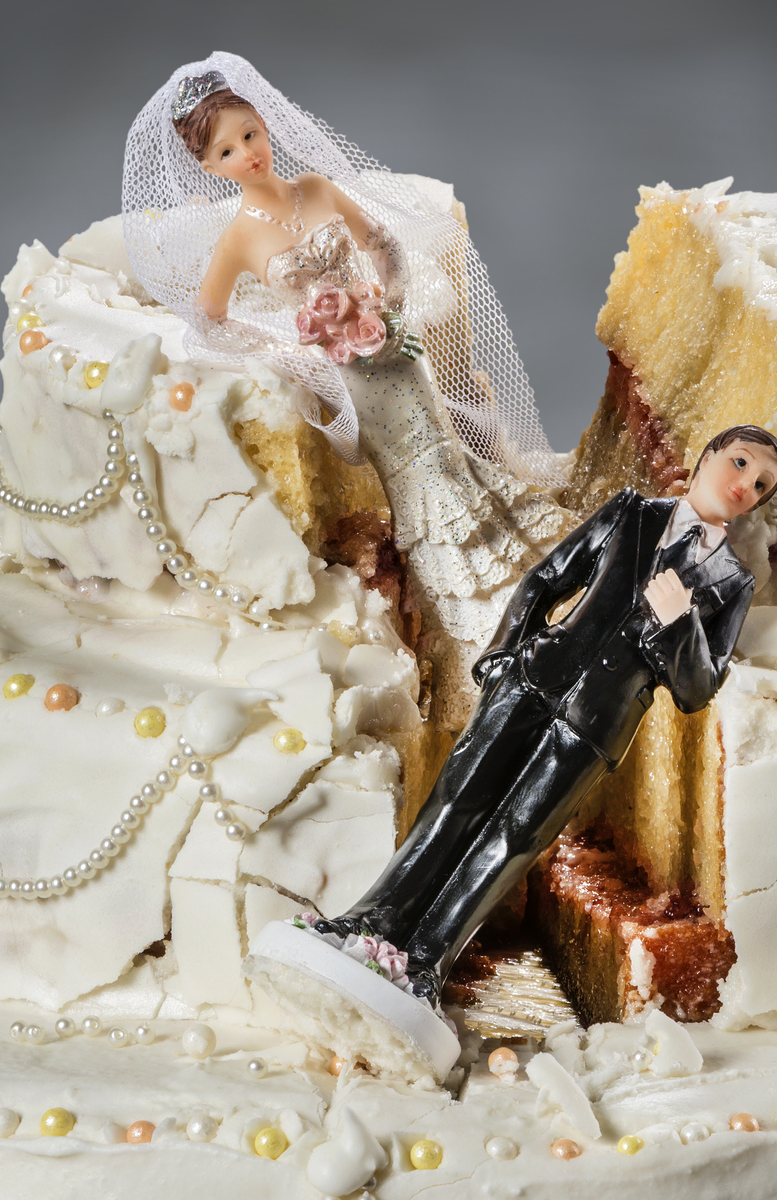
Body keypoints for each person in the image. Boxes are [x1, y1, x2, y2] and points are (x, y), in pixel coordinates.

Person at [249, 426, 777, 1074]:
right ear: (706, 458)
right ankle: (370, 920)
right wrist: (505, 656)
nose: (744, 484)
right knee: (456, 799)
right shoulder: (631, 512)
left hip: (596, 724)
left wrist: (679, 623)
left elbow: (698, 687)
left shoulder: (730, 582)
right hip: (533, 680)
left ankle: (427, 959)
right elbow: (546, 578)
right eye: (739, 463)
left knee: (515, 837)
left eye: (761, 484)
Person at [123, 54, 568, 726]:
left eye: (250, 134)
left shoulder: (316, 188)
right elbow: (208, 317)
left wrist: (388, 301)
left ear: (265, 125)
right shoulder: (237, 238)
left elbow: (382, 241)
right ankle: (478, 633)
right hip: (348, 375)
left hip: (392, 349)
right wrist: (288, 346)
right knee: (413, 485)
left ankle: (526, 581)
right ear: (209, 167)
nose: (247, 153)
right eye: (227, 150)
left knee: (447, 458)